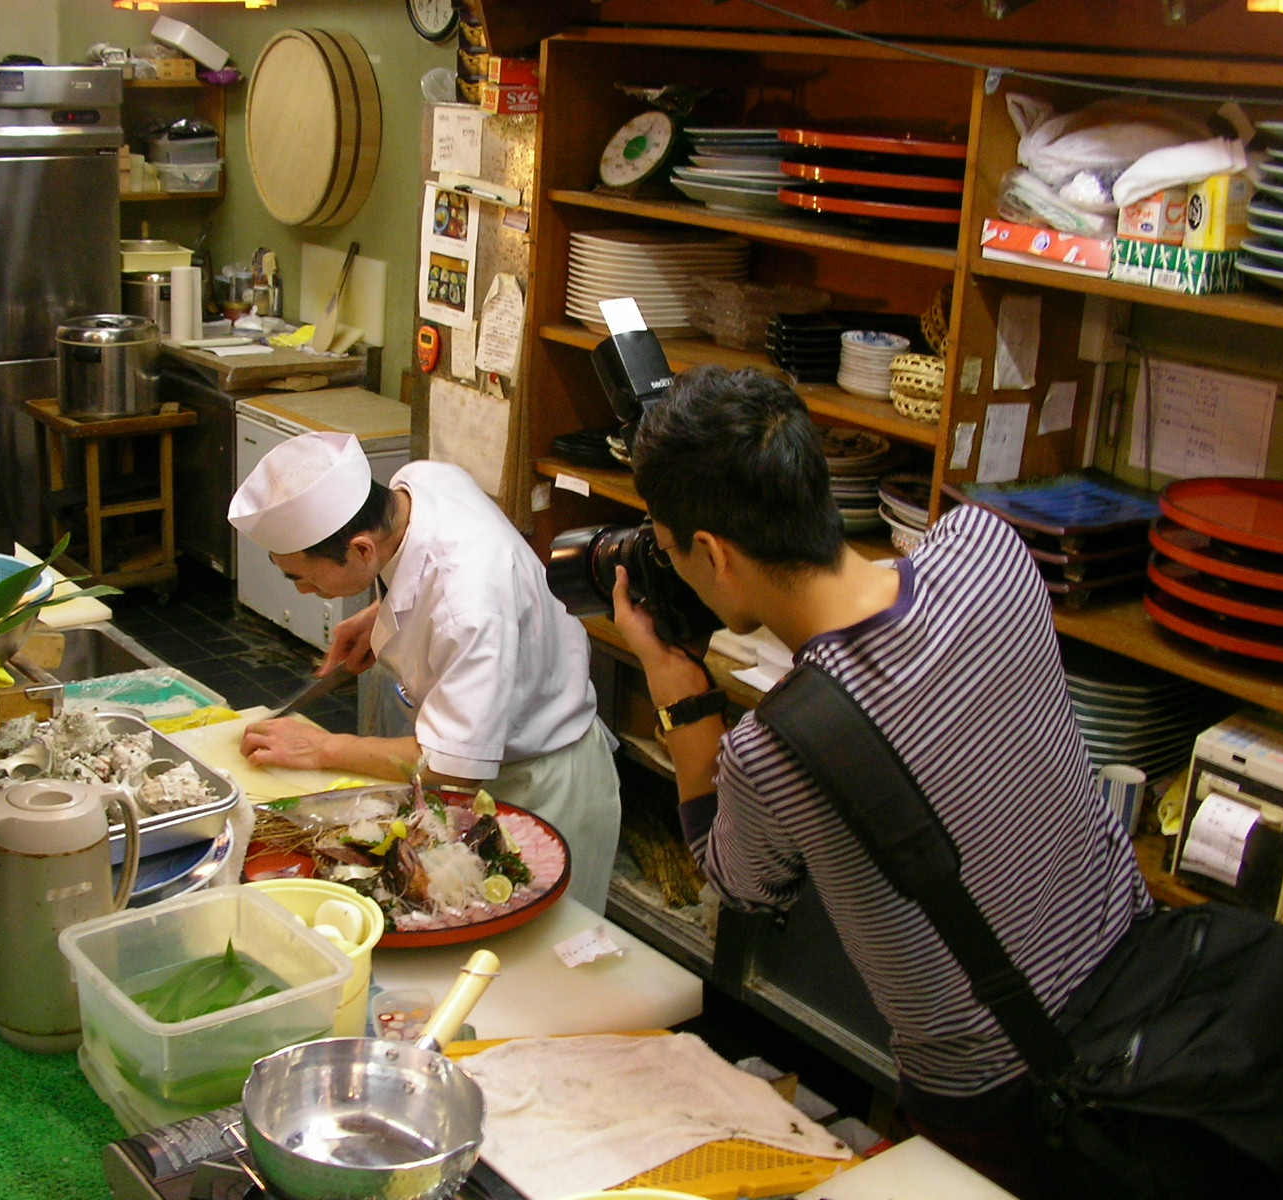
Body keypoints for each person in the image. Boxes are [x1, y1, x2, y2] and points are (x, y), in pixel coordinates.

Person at [607, 365, 1151, 1200]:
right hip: (1140, 983)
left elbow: (736, 882)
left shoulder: (777, 749)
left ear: (713, 554)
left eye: (670, 548)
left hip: (1001, 1093)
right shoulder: (989, 550)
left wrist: (683, 702)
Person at [228, 431, 622, 912]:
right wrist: (385, 612)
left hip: (540, 788)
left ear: (362, 550)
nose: (302, 590)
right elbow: (425, 568)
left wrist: (322, 747)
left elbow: (450, 766)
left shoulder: (468, 604)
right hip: (494, 766)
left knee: (535, 946)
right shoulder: (419, 483)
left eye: (302, 576)